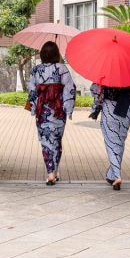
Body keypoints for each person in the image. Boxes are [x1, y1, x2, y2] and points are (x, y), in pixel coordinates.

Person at [27, 41, 76, 185]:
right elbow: (69, 88)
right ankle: (53, 172)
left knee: (46, 142)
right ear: (56, 54)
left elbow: (32, 90)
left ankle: (51, 172)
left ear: (42, 54)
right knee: (56, 141)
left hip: (43, 111)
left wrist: (33, 106)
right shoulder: (62, 68)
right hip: (58, 110)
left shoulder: (36, 70)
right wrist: (69, 108)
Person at [89, 81, 130, 190]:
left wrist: (95, 107)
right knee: (119, 143)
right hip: (126, 109)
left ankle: (117, 175)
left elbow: (96, 91)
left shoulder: (106, 72)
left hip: (110, 109)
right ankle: (111, 174)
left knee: (111, 143)